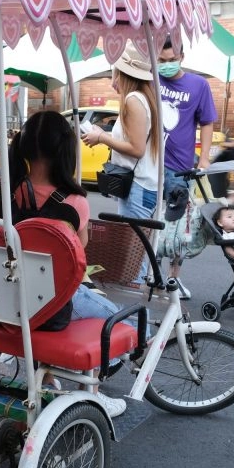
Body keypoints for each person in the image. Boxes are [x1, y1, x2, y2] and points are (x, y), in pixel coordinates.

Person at [0, 110, 129, 418]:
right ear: (66, 150)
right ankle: (92, 394)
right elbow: (78, 254)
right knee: (119, 322)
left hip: (7, 297)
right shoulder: (74, 203)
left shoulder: (7, 192)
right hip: (53, 301)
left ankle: (48, 379)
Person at [81, 41, 159, 289]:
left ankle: (136, 322)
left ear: (122, 72)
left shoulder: (133, 100)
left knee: (132, 260)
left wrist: (101, 137)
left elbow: (137, 149)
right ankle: (138, 319)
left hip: (137, 186)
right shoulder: (143, 98)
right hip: (142, 185)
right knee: (137, 253)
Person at [156, 37, 219, 299]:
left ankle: (173, 280)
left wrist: (203, 158)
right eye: (162, 61)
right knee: (148, 224)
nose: (167, 65)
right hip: (150, 166)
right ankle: (148, 274)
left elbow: (207, 122)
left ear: (182, 57)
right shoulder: (149, 78)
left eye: (172, 60)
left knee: (179, 229)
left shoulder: (198, 85)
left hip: (181, 169)